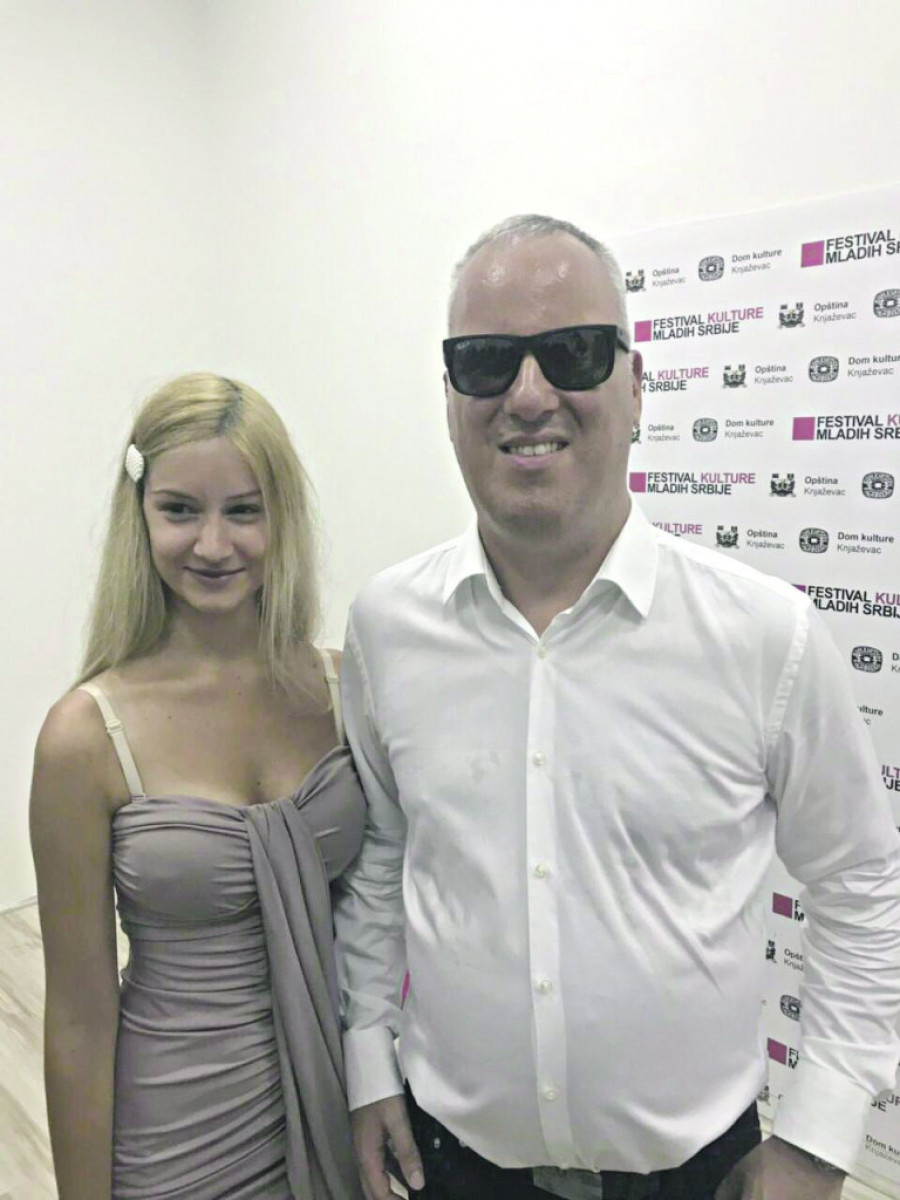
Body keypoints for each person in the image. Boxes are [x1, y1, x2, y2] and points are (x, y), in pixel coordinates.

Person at [333, 216, 900, 1200]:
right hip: (450, 1164)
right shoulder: (386, 627)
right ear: (450, 395)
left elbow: (859, 885)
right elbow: (384, 858)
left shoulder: (765, 636)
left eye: (574, 352)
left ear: (636, 387)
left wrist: (817, 1141)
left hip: (700, 1178)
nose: (528, 394)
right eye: (486, 360)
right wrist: (369, 1063)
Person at [30, 374, 365, 1200]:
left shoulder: (347, 690)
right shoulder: (85, 737)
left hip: (343, 1108)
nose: (213, 546)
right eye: (180, 510)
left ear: (282, 517)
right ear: (139, 516)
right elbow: (77, 1017)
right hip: (176, 1133)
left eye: (244, 511)